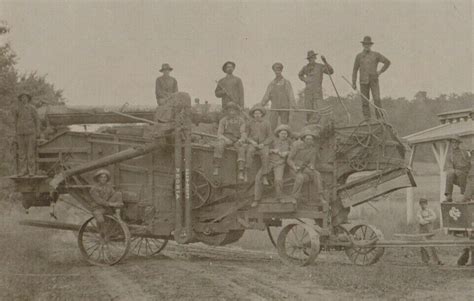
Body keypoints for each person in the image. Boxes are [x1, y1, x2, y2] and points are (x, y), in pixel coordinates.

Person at [352, 36, 391, 120]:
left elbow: (387, 62)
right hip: (363, 81)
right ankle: (367, 119)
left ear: (371, 45)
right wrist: (353, 82)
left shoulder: (376, 55)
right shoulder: (359, 56)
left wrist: (380, 72)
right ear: (363, 45)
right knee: (365, 101)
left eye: (368, 44)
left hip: (374, 81)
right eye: (365, 44)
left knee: (377, 99)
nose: (367, 46)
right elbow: (355, 69)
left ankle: (380, 118)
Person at [253, 124, 292, 207]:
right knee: (258, 177)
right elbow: (264, 149)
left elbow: (294, 151)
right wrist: (273, 150)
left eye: (285, 134)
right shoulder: (273, 140)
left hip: (280, 164)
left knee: (278, 180)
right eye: (282, 133)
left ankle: (279, 197)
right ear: (278, 134)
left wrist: (287, 153)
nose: (284, 135)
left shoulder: (289, 141)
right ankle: (256, 199)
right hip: (269, 162)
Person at [287, 129, 324, 204]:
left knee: (317, 174)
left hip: (305, 168)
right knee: (300, 177)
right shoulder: (297, 146)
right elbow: (289, 159)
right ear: (304, 139)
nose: (309, 141)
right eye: (307, 139)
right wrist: (294, 167)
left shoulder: (313, 149)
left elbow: (312, 162)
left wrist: (312, 166)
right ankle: (294, 197)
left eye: (311, 139)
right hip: (294, 169)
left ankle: (320, 196)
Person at [213, 102, 247, 180]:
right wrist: (225, 139)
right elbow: (219, 133)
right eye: (230, 110)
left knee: (242, 148)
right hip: (226, 138)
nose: (232, 112)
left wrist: (241, 140)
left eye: (233, 110)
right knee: (219, 144)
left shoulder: (241, 121)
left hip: (236, 139)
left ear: (236, 111)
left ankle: (241, 171)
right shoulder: (223, 120)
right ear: (227, 111)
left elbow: (243, 132)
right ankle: (216, 167)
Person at [298, 50, 334, 123]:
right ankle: (309, 124)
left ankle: (317, 124)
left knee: (318, 109)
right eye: (309, 58)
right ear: (308, 59)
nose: (311, 60)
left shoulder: (320, 66)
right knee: (308, 109)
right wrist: (305, 80)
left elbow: (330, 71)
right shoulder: (305, 67)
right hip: (308, 91)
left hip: (317, 91)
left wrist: (325, 62)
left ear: (315, 58)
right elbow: (300, 75)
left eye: (312, 58)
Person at [261, 62, 296, 130]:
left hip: (284, 107)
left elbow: (291, 95)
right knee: (272, 125)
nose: (277, 71)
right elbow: (266, 96)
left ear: (281, 70)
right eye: (276, 70)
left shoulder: (286, 82)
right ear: (274, 71)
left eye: (279, 70)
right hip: (274, 107)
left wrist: (294, 106)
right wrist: (261, 105)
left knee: (284, 125)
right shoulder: (272, 83)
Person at [13, 93, 40, 176]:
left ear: (28, 99)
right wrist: (15, 133)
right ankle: (23, 171)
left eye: (25, 97)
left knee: (30, 153)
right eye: (22, 98)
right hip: (20, 133)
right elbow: (15, 122)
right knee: (22, 154)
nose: (23, 99)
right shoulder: (17, 109)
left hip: (31, 133)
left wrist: (38, 132)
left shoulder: (32, 108)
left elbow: (37, 120)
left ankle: (31, 171)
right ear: (20, 99)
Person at [246, 105, 272, 184]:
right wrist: (252, 142)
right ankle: (247, 173)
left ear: (261, 114)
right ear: (253, 115)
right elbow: (246, 136)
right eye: (255, 113)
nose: (257, 115)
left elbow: (270, 137)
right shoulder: (249, 123)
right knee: (249, 152)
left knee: (266, 155)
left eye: (259, 113)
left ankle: (265, 176)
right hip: (253, 144)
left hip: (263, 144)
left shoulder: (267, 123)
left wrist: (263, 144)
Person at [444, 135, 471, 202]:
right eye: (453, 142)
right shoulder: (450, 155)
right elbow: (449, 167)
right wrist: (455, 171)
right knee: (450, 173)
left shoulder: (464, 152)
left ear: (458, 143)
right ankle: (448, 195)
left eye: (456, 142)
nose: (454, 144)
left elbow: (469, 163)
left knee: (462, 174)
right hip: (456, 177)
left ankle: (464, 194)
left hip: (465, 175)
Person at [416, 198, 443, 265]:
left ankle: (437, 260)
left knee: (431, 245)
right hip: (422, 231)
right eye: (421, 204)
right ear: (420, 204)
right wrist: (428, 220)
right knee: (422, 245)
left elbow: (434, 217)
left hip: (429, 231)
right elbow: (421, 221)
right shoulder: (419, 212)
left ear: (426, 204)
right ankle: (425, 260)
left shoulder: (430, 211)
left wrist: (426, 219)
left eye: (424, 204)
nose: (423, 205)